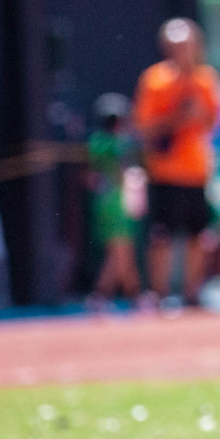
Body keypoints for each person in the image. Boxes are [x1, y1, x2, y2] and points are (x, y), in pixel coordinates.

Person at [133, 18, 220, 311]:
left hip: (196, 171)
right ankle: (159, 294)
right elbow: (144, 127)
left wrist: (197, 114)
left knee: (198, 234)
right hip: (164, 171)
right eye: (175, 46)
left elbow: (212, 124)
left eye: (186, 46)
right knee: (161, 235)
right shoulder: (154, 80)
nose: (181, 52)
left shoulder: (206, 79)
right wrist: (176, 118)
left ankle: (192, 292)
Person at [84, 93, 145, 311]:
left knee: (118, 252)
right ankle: (131, 296)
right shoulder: (119, 144)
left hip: (103, 205)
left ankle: (106, 296)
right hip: (117, 205)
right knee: (122, 252)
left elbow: (90, 179)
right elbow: (123, 174)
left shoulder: (96, 142)